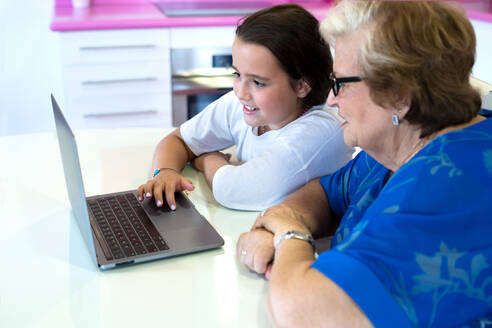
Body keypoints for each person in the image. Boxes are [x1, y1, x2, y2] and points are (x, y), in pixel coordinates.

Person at [236, 1, 492, 327]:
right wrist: (284, 216)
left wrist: (288, 235)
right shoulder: (394, 153)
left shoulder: (445, 189)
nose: (330, 98)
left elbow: (301, 312)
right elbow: (324, 194)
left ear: (399, 95)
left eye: (340, 83)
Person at [137, 4, 353, 211]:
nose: (240, 92)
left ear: (301, 86)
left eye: (258, 82)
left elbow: (232, 190)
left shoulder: (322, 132)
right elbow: (179, 140)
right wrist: (164, 172)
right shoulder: (248, 105)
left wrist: (206, 159)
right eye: (237, 74)